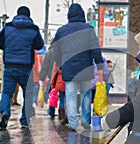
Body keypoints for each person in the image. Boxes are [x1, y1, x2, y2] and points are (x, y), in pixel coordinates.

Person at [42, 3, 104, 132]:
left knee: (70, 96)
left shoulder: (62, 30)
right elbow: (95, 48)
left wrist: (60, 64)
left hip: (69, 68)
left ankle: (73, 124)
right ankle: (86, 122)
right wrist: (99, 64)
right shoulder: (88, 29)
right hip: (85, 67)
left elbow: (55, 49)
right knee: (86, 94)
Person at [0, 6, 44, 129]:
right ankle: (24, 120)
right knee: (28, 94)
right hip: (26, 68)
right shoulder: (33, 29)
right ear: (29, 16)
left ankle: (5, 112)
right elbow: (39, 46)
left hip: (9, 66)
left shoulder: (8, 27)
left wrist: (10, 48)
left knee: (6, 92)